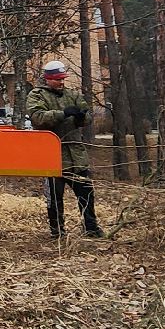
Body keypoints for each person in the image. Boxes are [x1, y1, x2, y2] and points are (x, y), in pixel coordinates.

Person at [27, 59, 101, 239]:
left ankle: (91, 228)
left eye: (63, 79)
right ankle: (57, 231)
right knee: (54, 198)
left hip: (77, 155)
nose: (61, 82)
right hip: (53, 157)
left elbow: (87, 115)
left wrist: (81, 118)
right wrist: (63, 114)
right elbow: (38, 118)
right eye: (57, 79)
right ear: (48, 79)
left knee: (86, 195)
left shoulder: (72, 94)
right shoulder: (37, 95)